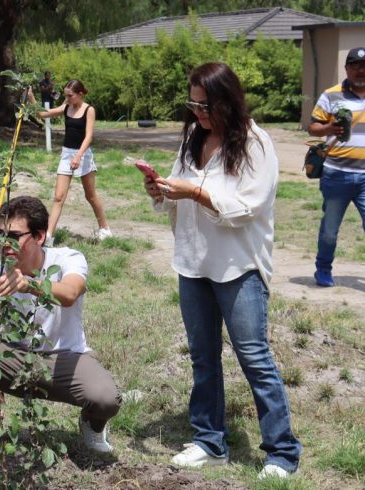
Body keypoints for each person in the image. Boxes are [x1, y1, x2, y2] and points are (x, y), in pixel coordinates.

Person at [142, 62, 301, 480]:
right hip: (193, 264)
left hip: (239, 268)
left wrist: (195, 191)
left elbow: (248, 207)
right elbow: (179, 197)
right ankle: (210, 442)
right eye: (192, 103)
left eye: (205, 104)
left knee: (254, 357)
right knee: (203, 357)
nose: (197, 112)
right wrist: (161, 191)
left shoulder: (256, 144)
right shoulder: (193, 140)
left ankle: (282, 452)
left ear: (227, 101)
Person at [0, 196, 121, 454]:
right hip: (15, 358)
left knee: (106, 399)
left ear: (39, 236)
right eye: (0, 234)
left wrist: (30, 285)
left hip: (64, 358)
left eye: (14, 235)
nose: (4, 243)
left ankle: (92, 426)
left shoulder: (67, 259)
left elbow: (71, 293)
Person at [307, 46, 365, 287]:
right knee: (330, 230)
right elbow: (312, 127)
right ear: (347, 69)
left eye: (364, 66)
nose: (361, 71)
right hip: (336, 174)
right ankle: (323, 269)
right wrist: (329, 129)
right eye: (355, 66)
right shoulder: (331, 95)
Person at [29, 79, 111, 244]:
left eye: (70, 95)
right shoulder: (66, 107)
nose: (67, 98)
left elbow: (89, 136)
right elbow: (43, 114)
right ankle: (49, 237)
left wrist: (78, 156)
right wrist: (31, 98)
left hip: (83, 155)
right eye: (65, 95)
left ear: (80, 94)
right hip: (67, 155)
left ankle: (104, 229)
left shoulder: (89, 110)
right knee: (58, 197)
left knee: (91, 196)